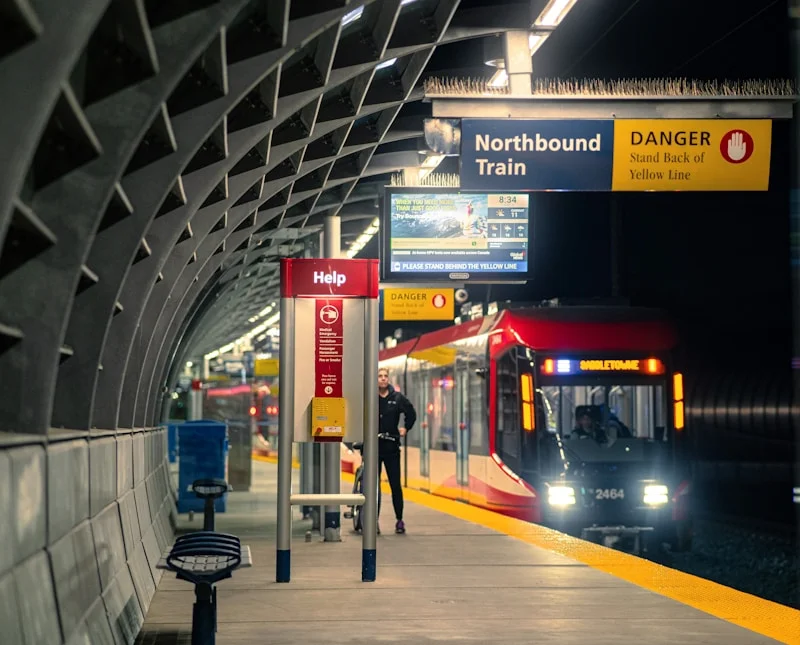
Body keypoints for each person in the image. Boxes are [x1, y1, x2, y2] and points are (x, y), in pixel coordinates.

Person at [377, 367, 416, 534]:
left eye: (386, 376)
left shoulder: (397, 398)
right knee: (373, 487)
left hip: (391, 446)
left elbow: (411, 413)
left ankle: (399, 520)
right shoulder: (369, 397)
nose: (383, 379)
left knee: (395, 485)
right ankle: (373, 521)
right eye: (380, 376)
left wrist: (405, 428)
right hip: (374, 447)